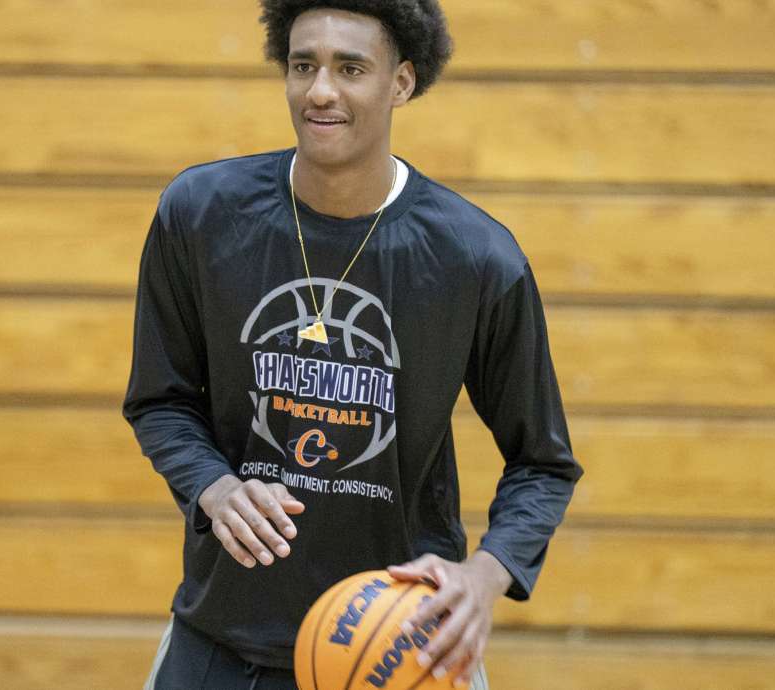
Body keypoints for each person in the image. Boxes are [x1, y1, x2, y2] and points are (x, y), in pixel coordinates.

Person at [123, 1, 583, 687]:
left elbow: (542, 464)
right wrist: (213, 488)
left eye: (350, 68)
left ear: (401, 82)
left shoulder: (475, 258)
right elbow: (161, 400)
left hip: (401, 650)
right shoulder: (202, 214)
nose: (320, 91)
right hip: (221, 644)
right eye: (303, 65)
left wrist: (486, 575)